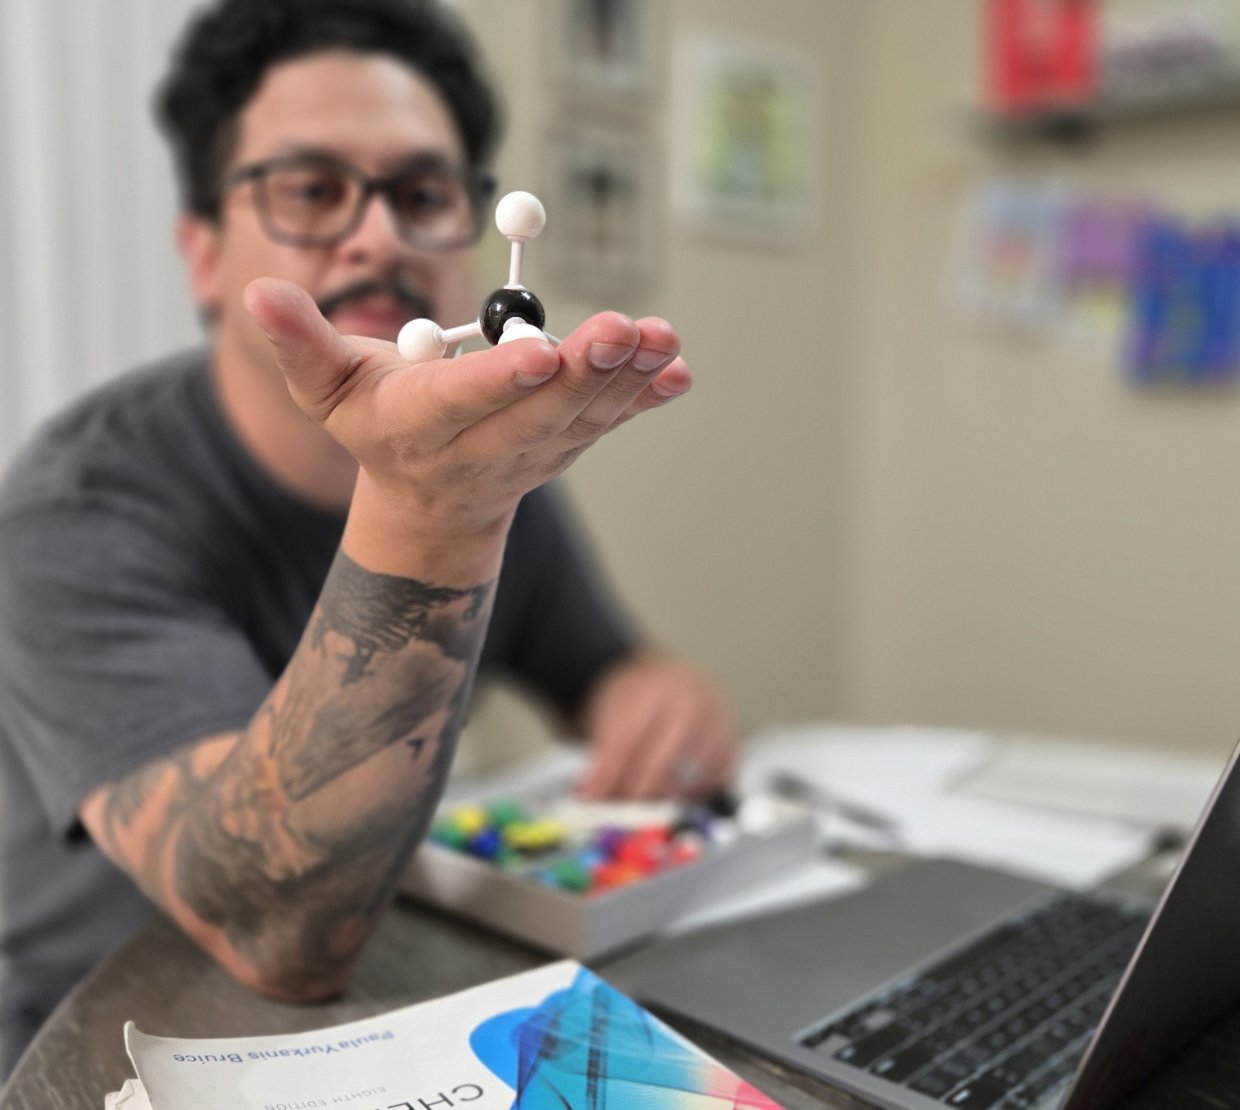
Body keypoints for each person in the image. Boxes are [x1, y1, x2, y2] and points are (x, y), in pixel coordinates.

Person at [0, 0, 738, 1079]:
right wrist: (434, 510)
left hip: (398, 1025)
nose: (380, 234)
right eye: (309, 190)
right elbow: (273, 930)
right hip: (101, 1058)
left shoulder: (485, 467)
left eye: (423, 194)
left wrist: (659, 698)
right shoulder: (76, 512)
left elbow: (608, 668)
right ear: (203, 254)